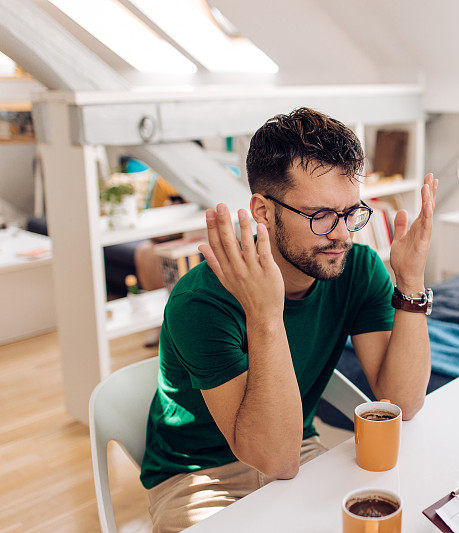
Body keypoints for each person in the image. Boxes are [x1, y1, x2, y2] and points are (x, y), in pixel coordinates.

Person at [139, 108, 438, 532]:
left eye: (350, 212)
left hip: (299, 448)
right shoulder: (200, 301)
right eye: (320, 216)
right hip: (198, 477)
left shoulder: (357, 268)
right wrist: (266, 314)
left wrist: (409, 283)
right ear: (262, 211)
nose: (341, 235)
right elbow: (273, 458)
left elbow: (402, 403)